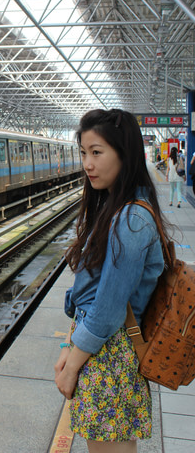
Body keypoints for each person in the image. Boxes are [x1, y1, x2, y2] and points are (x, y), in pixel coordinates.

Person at [54, 108, 167, 452]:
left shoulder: (131, 218)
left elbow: (108, 307)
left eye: (97, 153)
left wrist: (73, 364)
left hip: (109, 355)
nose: (87, 164)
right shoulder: (119, 208)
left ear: (124, 153)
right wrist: (72, 349)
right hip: (102, 350)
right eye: (84, 153)